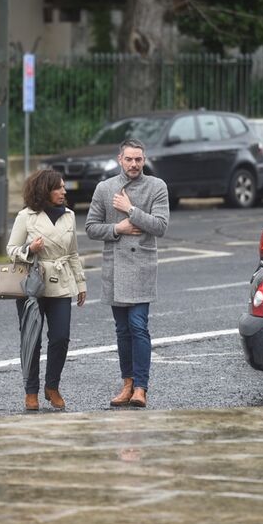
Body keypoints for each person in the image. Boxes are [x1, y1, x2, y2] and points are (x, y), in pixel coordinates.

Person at [85, 138, 170, 408]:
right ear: (120, 159)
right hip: (115, 266)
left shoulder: (157, 186)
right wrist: (117, 229)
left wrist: (130, 210)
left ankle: (141, 388)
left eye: (139, 160)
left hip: (142, 267)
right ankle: (127, 384)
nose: (134, 164)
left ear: (144, 160)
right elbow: (90, 227)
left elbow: (160, 226)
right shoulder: (104, 188)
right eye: (129, 159)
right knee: (122, 330)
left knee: (138, 326)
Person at [7, 169, 87, 411]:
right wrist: (30, 248)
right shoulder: (26, 216)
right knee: (31, 339)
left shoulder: (69, 216)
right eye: (58, 188)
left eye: (63, 187)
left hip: (61, 282)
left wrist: (80, 283)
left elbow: (72, 253)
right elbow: (11, 250)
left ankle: (52, 386)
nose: (64, 191)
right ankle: (31, 391)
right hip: (33, 284)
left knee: (61, 337)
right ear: (44, 191)